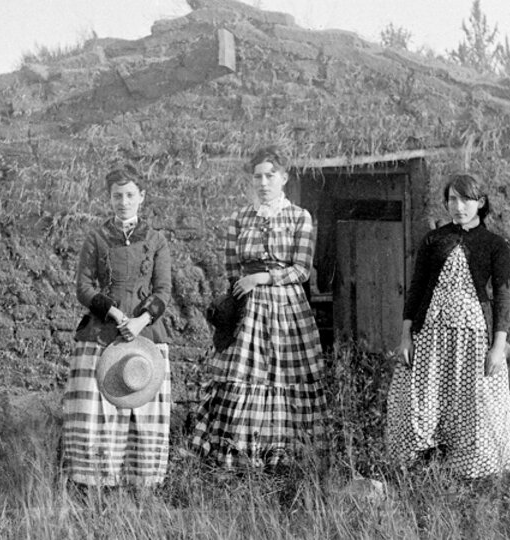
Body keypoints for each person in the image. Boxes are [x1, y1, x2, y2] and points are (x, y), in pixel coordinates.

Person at [191, 146, 325, 470]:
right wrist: (244, 287)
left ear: (284, 178)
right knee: (242, 375)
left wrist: (265, 277)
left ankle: (283, 460)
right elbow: (229, 265)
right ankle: (239, 457)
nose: (263, 183)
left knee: (282, 376)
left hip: (286, 309)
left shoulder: (299, 217)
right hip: (246, 310)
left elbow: (302, 270)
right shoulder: (240, 218)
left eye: (270, 175)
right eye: (257, 177)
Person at [386, 172, 510, 479]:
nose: (459, 206)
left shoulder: (495, 244)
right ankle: (419, 472)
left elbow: (504, 295)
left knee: (474, 409)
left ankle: (469, 478)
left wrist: (497, 346)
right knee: (420, 405)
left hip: (474, 340)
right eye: (452, 199)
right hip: (431, 338)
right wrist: (406, 336)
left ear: (480, 203)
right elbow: (416, 289)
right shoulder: (434, 240)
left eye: (466, 199)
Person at [62, 164, 172, 488]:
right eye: (116, 196)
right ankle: (94, 484)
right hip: (103, 331)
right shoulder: (96, 238)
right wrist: (113, 313)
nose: (123, 201)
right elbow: (83, 287)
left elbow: (163, 290)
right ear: (109, 199)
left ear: (141, 197)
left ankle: (141, 487)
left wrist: (139, 321)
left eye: (129, 195)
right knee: (96, 411)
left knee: (142, 405)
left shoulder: (156, 240)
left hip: (144, 334)